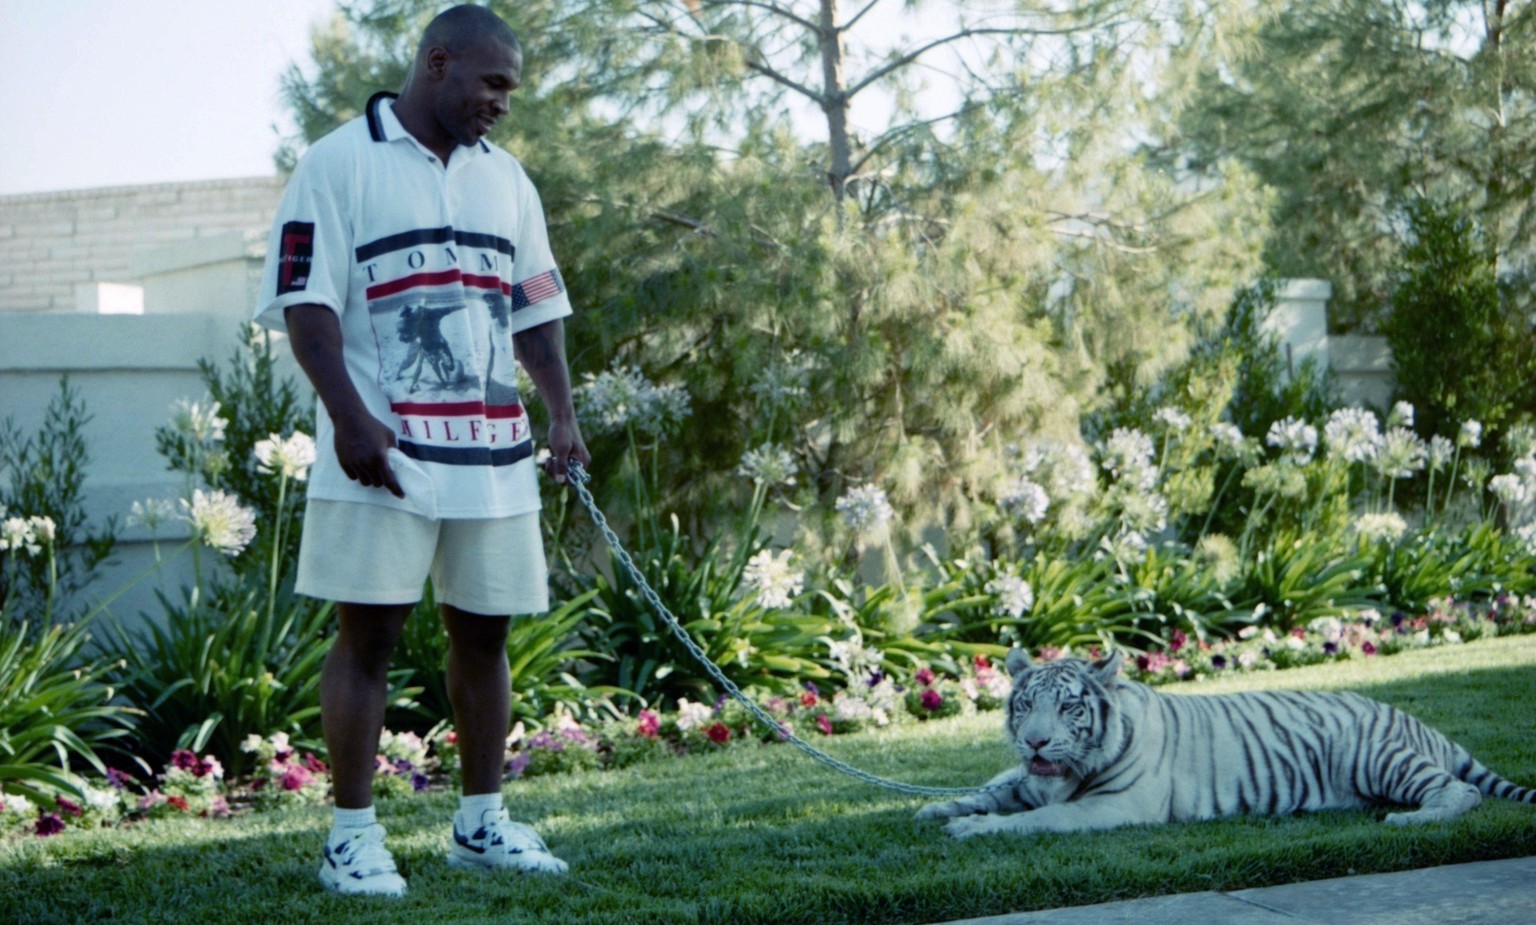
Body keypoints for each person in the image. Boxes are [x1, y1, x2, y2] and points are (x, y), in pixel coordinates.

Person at [254, 4, 590, 897]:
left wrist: (559, 415)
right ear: (437, 64)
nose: (503, 103)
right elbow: (306, 309)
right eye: (493, 83)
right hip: (384, 456)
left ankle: (481, 822)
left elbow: (537, 309)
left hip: (492, 458)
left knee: (486, 636)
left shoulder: (508, 180)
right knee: (369, 638)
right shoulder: (336, 164)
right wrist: (350, 420)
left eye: (509, 88)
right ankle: (350, 837)